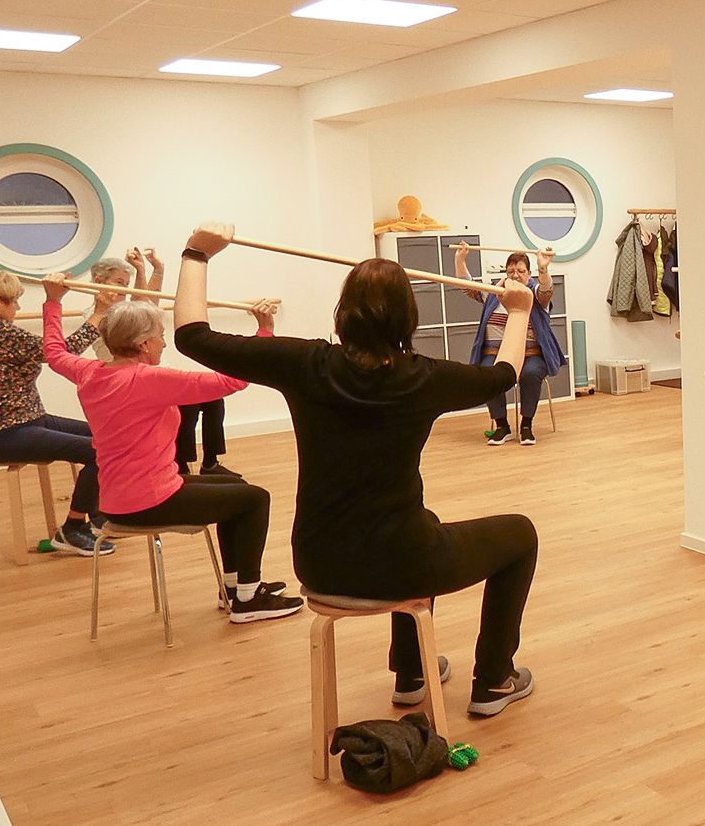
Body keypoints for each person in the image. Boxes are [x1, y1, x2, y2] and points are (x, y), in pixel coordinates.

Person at [173, 225, 541, 714]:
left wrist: (197, 252)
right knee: (515, 535)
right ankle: (494, 680)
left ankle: (413, 675)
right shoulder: (424, 378)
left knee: (422, 528)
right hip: (405, 562)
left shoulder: (305, 362)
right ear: (408, 317)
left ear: (342, 312)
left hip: (320, 562)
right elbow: (506, 374)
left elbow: (191, 336)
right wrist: (520, 310)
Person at [39, 276, 301, 623]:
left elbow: (55, 352)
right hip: (149, 500)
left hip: (119, 498)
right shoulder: (149, 380)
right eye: (161, 336)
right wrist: (265, 330)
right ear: (144, 343)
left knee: (235, 493)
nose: (164, 343)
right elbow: (235, 381)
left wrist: (52, 301)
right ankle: (247, 601)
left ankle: (236, 589)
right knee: (255, 499)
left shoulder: (90, 373)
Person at [0, 252, 112, 556]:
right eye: (14, 301)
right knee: (102, 449)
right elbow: (62, 352)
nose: (17, 307)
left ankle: (96, 514)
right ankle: (73, 528)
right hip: (2, 436)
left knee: (108, 437)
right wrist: (100, 312)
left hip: (18, 423)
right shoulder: (1, 334)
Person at [455, 244, 566, 447]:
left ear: (529, 274)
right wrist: (460, 260)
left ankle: (526, 426)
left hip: (531, 355)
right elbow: (468, 288)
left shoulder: (534, 294)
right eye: (510, 271)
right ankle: (502, 426)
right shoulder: (495, 292)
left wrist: (544, 268)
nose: (515, 276)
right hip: (496, 354)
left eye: (520, 271)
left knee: (530, 374)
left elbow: (546, 290)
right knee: (488, 373)